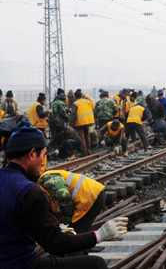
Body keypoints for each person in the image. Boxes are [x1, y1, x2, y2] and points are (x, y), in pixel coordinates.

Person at [0, 118, 128, 269]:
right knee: (96, 264)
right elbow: (55, 244)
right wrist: (99, 235)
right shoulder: (31, 193)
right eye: (43, 155)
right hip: (20, 265)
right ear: (32, 154)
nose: (42, 163)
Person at [38, 169, 106, 256]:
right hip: (91, 196)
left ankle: (74, 260)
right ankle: (82, 258)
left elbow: (64, 195)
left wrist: (67, 221)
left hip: (89, 197)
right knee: (80, 233)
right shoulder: (44, 192)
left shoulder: (45, 178)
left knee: (74, 235)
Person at [69, 90, 94, 156]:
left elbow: (73, 115)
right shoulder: (88, 101)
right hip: (88, 122)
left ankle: (84, 152)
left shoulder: (76, 103)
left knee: (82, 137)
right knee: (87, 136)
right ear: (82, 95)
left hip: (80, 123)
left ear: (75, 96)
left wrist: (71, 123)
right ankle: (89, 151)